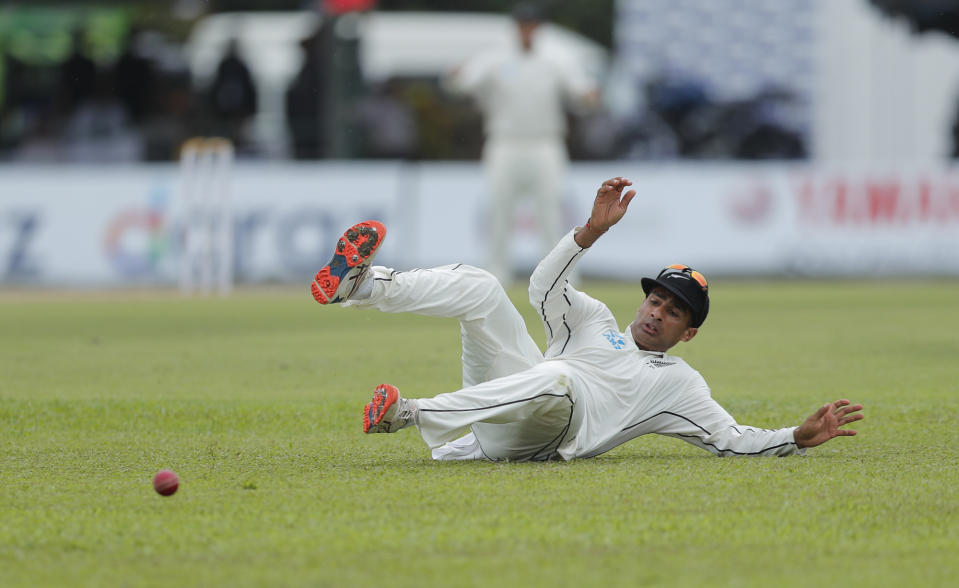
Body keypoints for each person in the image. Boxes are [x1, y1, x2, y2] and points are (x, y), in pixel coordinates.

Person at [311, 177, 864, 462]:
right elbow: (541, 286)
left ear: (688, 333)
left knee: (562, 380)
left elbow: (731, 438)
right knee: (482, 286)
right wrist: (590, 232)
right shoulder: (592, 319)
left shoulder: (677, 383)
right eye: (657, 300)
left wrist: (794, 436)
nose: (658, 313)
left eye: (674, 313)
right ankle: (361, 285)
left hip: (542, 437)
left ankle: (405, 413)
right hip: (508, 404)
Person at [443, 2, 600, 285]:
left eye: (532, 25)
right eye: (522, 25)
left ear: (539, 28)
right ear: (514, 27)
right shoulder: (496, 57)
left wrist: (588, 95)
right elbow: (460, 83)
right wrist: (455, 76)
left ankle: (559, 275)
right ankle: (496, 275)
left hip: (545, 142)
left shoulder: (557, 57)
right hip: (504, 142)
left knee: (550, 210)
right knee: (500, 209)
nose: (526, 31)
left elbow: (580, 92)